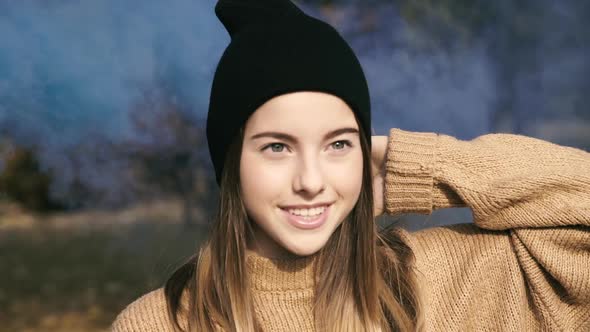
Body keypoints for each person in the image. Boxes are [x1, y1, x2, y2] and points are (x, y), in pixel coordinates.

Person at [111, 0, 590, 331]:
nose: (312, 182)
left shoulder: (438, 282)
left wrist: (422, 168)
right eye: (277, 147)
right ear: (231, 163)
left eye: (338, 144)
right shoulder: (161, 323)